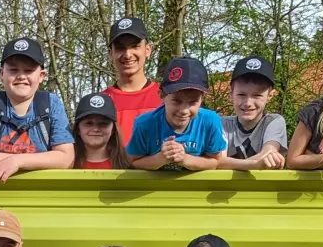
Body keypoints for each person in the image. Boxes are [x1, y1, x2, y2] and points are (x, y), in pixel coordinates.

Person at [0, 38, 76, 183]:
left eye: (29, 70)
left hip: (40, 194)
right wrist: (35, 161)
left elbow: (66, 159)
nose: (21, 76)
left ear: (41, 76)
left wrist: (17, 161)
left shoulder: (51, 104)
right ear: (2, 73)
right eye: (13, 70)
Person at [125, 56, 227, 171]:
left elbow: (215, 162)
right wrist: (160, 158)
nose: (184, 110)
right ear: (162, 95)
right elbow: (133, 162)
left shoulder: (210, 121)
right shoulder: (144, 124)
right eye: (177, 101)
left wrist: (185, 159)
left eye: (193, 102)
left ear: (202, 99)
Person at [101, 17, 159, 145]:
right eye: (121, 48)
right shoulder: (101, 103)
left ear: (148, 50)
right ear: (111, 54)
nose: (127, 55)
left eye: (135, 46)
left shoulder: (167, 98)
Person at [222, 55, 287, 169]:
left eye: (257, 95)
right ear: (231, 93)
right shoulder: (222, 124)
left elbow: (268, 153)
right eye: (241, 95)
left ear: (270, 95)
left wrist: (227, 164)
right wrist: (255, 165)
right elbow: (218, 161)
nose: (248, 103)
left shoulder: (274, 122)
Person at [71, 93, 131, 170]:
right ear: (78, 129)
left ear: (113, 129)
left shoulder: (128, 164)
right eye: (88, 123)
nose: (96, 129)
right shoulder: (66, 164)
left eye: (103, 124)